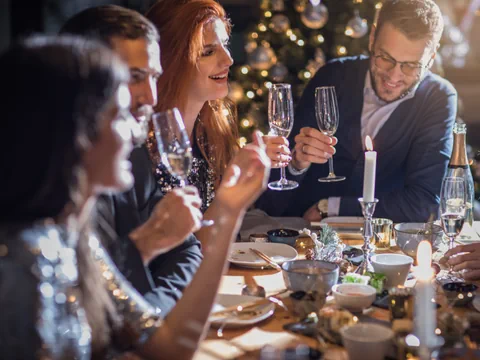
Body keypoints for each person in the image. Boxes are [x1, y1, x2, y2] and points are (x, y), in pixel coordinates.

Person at [0, 35, 270, 360]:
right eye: (119, 115)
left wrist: (228, 212)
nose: (134, 131)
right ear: (76, 132)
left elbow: (168, 348)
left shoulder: (74, 240)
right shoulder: (17, 266)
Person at [256, 0, 458, 224]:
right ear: (372, 38)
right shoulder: (332, 77)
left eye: (411, 66)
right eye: (385, 58)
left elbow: (424, 203)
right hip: (304, 232)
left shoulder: (438, 97)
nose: (393, 76)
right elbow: (273, 199)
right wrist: (296, 164)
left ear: (430, 58)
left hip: (381, 245)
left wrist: (332, 207)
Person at [60, 5, 204, 316]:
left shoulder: (132, 157)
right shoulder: (42, 181)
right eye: (135, 77)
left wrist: (151, 315)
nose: (151, 97)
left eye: (154, 77)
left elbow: (186, 250)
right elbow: (72, 302)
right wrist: (146, 246)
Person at [145, 0, 291, 215]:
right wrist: (238, 174)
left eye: (225, 45)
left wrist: (251, 167)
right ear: (171, 61)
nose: (229, 59)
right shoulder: (142, 144)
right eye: (208, 52)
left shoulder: (212, 130)